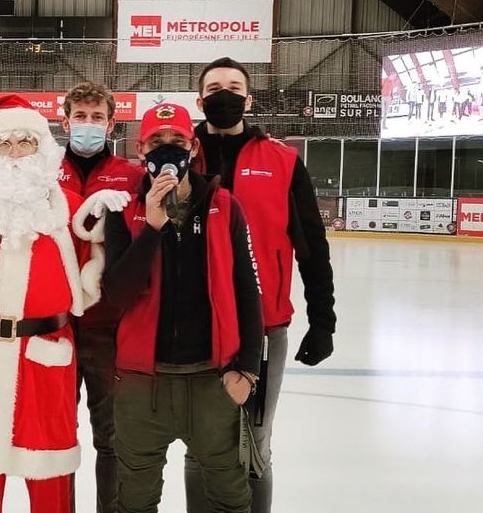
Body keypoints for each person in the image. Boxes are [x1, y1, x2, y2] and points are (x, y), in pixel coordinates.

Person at [91, 102, 263, 513]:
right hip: (142, 385)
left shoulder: (225, 206)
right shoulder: (122, 211)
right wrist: (151, 228)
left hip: (212, 379)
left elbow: (247, 291)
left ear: (194, 147)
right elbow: (117, 293)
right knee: (134, 499)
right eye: (156, 141)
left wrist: (248, 371)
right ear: (140, 149)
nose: (167, 149)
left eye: (177, 141)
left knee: (230, 496)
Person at [187, 57, 337, 513]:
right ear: (199, 100)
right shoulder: (177, 157)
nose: (224, 95)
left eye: (234, 87)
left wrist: (322, 320)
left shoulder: (283, 161)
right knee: (199, 445)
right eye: (214, 88)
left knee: (255, 444)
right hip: (194, 325)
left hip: (265, 326)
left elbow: (311, 246)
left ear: (249, 100)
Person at [0, 95, 100, 513]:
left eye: (25, 143)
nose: (14, 155)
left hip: (44, 356)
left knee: (48, 471)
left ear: (42, 149)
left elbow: (99, 250)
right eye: (4, 145)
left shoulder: (68, 204)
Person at [58, 81, 144, 513]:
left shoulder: (131, 176)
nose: (87, 125)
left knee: (111, 436)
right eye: (80, 117)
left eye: (97, 118)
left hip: (109, 326)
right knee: (58, 437)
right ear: (65, 121)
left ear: (111, 123)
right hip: (53, 325)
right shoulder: (45, 170)